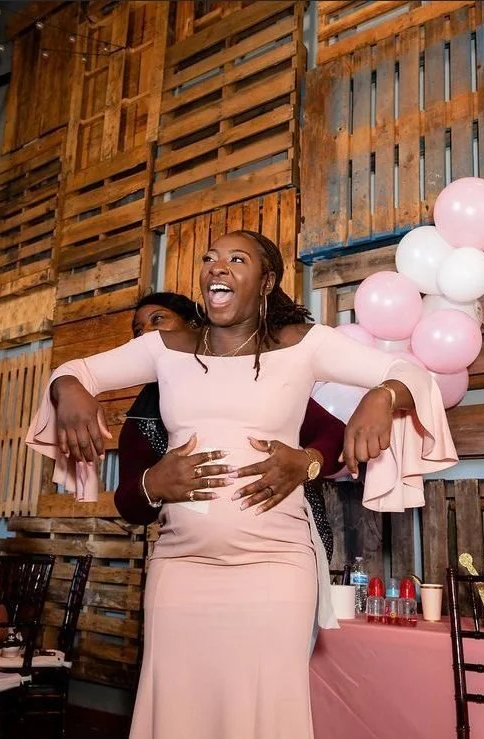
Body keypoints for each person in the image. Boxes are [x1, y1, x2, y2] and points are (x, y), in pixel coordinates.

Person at [27, 230, 457, 738]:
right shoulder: (166, 347)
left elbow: (411, 372)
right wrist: (71, 389)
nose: (218, 268)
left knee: (267, 707)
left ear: (266, 281)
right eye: (210, 259)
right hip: (181, 566)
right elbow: (73, 370)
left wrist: (382, 396)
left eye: (236, 259)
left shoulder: (302, 345)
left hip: (274, 566)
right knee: (176, 708)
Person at [118, 292, 346, 560]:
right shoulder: (142, 419)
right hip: (190, 557)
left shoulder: (253, 377)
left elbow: (335, 434)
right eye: (138, 330)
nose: (145, 334)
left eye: (157, 320)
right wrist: (152, 484)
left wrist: (307, 462)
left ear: (193, 327)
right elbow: (128, 504)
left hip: (285, 548)